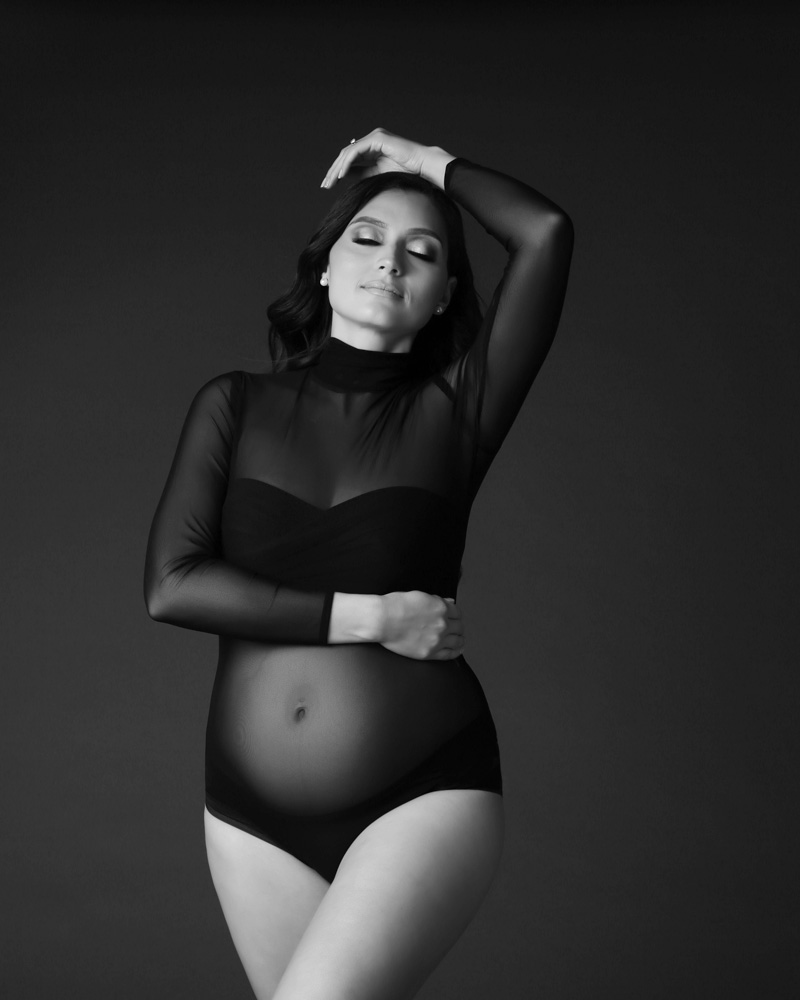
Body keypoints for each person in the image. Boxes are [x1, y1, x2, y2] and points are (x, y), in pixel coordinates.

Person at [144, 127, 573, 1000]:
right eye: (367, 238)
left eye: (423, 252)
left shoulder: (457, 414)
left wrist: (424, 162)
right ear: (325, 267)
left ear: (443, 297)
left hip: (421, 789)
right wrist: (370, 616)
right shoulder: (234, 404)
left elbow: (546, 233)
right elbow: (173, 585)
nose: (390, 261)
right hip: (249, 819)